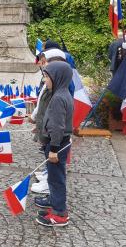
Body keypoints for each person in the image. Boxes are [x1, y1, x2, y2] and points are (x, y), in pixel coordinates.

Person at [34, 60, 73, 227]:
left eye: (47, 77)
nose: (44, 81)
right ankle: (56, 204)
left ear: (57, 78)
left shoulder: (57, 98)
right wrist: (41, 128)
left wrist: (53, 150)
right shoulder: (62, 93)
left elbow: (58, 127)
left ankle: (59, 214)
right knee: (55, 177)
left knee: (56, 179)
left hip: (56, 144)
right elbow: (53, 122)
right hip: (59, 142)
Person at [30, 48, 67, 195]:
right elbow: (41, 102)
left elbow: (50, 109)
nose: (42, 65)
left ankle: (50, 187)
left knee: (54, 162)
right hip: (47, 127)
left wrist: (41, 123)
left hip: (54, 132)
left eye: (45, 62)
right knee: (48, 157)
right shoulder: (51, 80)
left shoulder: (58, 88)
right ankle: (47, 177)